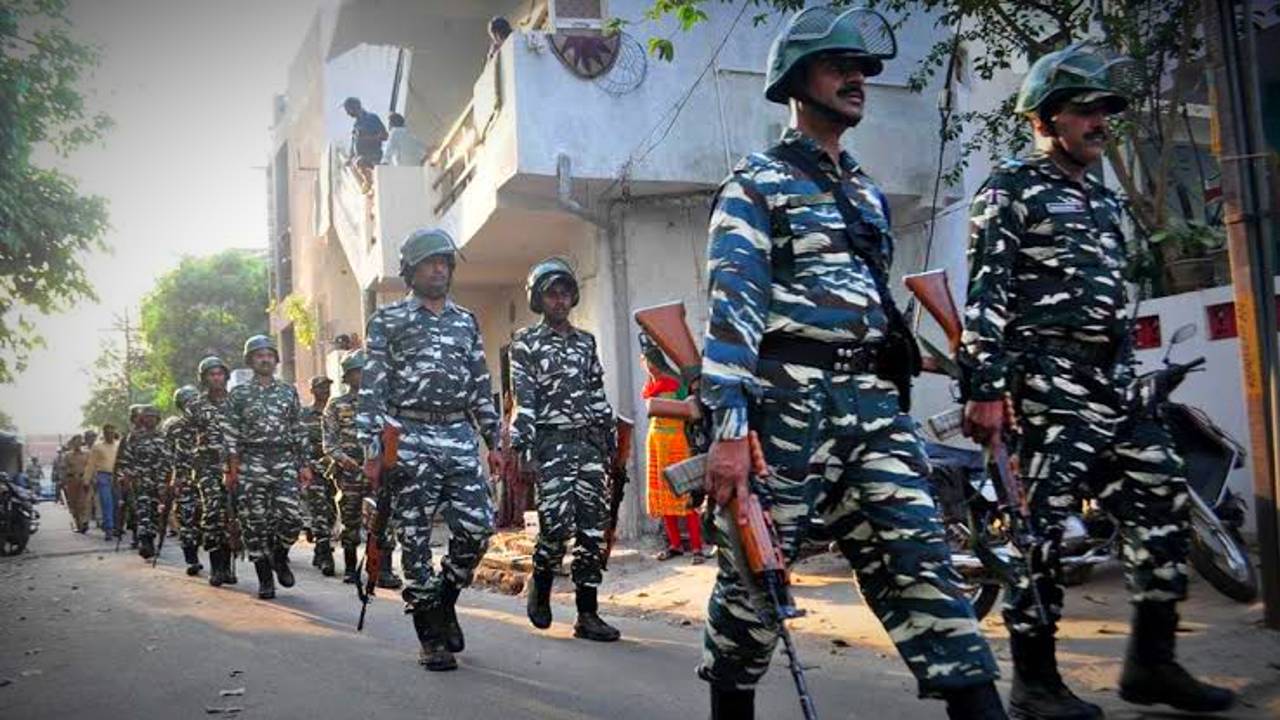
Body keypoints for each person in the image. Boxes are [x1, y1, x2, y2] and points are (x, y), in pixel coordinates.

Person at [696, 7, 1006, 718]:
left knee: (924, 567)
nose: (857, 77)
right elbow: (733, 313)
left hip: (871, 409)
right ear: (795, 81)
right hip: (786, 410)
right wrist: (730, 430)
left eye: (862, 66)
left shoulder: (863, 192)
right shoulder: (758, 183)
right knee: (753, 586)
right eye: (839, 64)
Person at [958, 41, 1236, 720]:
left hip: (1111, 379)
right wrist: (985, 388)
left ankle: (1151, 663)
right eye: (1086, 111)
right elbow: (985, 299)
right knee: (1043, 529)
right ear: (1047, 117)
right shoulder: (1011, 189)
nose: (1101, 122)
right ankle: (1036, 681)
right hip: (1045, 383)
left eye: (1107, 110)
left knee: (1163, 499)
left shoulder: (1105, 203)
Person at [357, 228, 502, 672]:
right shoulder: (388, 321)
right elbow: (373, 391)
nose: (439, 268)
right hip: (410, 436)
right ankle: (429, 635)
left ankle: (444, 599)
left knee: (478, 529)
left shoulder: (465, 321)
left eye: (444, 262)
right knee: (415, 538)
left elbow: (480, 384)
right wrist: (372, 450)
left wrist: (494, 439)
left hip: (459, 436)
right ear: (410, 271)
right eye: (429, 262)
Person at [510, 257, 622, 643]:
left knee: (593, 530)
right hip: (551, 445)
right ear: (539, 300)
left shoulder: (586, 342)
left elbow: (596, 393)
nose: (559, 301)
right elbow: (523, 400)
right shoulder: (525, 343)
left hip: (589, 444)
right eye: (551, 294)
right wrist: (523, 450)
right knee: (556, 527)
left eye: (564, 294)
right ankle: (540, 582)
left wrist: (610, 441)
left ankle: (587, 614)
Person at [222, 335, 312, 600]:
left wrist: (304, 463)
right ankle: (265, 578)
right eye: (259, 355)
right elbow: (229, 434)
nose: (265, 359)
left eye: (269, 355)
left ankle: (280, 557)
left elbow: (298, 428)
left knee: (292, 517)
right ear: (251, 361)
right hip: (251, 463)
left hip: (284, 461)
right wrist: (231, 468)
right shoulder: (239, 394)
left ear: (275, 360)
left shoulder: (287, 391)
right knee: (254, 523)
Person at [324, 349, 401, 587]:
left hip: (380, 470)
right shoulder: (336, 406)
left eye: (365, 371)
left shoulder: (384, 403)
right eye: (356, 372)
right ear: (347, 377)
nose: (362, 376)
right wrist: (344, 459)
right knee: (351, 520)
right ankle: (350, 568)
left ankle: (383, 570)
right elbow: (329, 443)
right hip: (350, 471)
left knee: (384, 518)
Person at [639, 332, 705, 563]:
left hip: (677, 442)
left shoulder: (678, 382)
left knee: (685, 495)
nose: (650, 368)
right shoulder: (650, 385)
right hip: (655, 441)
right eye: (646, 364)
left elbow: (691, 411)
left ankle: (697, 548)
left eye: (652, 363)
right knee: (663, 496)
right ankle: (675, 545)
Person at [190, 356, 238, 587]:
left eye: (220, 373)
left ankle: (228, 567)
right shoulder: (196, 407)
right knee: (213, 515)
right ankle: (216, 566)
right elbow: (186, 440)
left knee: (232, 515)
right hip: (208, 467)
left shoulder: (237, 402)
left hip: (236, 465)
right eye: (212, 374)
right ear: (204, 379)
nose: (216, 378)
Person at [116, 405, 170, 560]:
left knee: (154, 513)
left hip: (158, 482)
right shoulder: (133, 437)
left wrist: (168, 481)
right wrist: (124, 477)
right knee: (142, 511)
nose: (150, 419)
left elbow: (170, 460)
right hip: (139, 481)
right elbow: (124, 460)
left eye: (153, 416)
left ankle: (151, 538)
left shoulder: (163, 437)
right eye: (147, 416)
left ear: (157, 419)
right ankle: (144, 542)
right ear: (142, 419)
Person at [164, 385, 204, 575]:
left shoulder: (209, 422)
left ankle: (222, 565)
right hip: (185, 480)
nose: (193, 405)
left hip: (209, 479)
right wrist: (171, 481)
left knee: (214, 521)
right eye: (188, 402)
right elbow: (167, 456)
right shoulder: (174, 427)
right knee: (187, 521)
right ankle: (192, 559)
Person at [302, 375, 338, 576]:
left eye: (327, 387)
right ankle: (326, 554)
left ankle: (319, 546)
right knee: (319, 510)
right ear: (312, 390)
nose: (325, 390)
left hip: (334, 467)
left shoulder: (336, 410)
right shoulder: (305, 415)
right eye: (320, 387)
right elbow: (300, 442)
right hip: (314, 468)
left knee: (332, 510)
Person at [83, 424, 121, 541]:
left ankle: (116, 527)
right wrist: (86, 480)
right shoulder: (97, 446)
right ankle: (108, 529)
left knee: (117, 503)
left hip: (117, 476)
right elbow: (91, 464)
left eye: (111, 432)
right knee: (106, 502)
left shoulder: (119, 445)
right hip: (103, 476)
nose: (109, 434)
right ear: (104, 434)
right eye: (107, 433)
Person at [342, 97, 387, 193]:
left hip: (372, 156)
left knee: (360, 162)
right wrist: (350, 158)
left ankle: (369, 183)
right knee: (353, 165)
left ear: (354, 108)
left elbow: (384, 135)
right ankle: (367, 186)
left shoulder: (371, 118)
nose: (347, 113)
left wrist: (367, 138)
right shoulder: (356, 124)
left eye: (348, 110)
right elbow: (353, 143)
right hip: (360, 160)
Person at [63, 436, 91, 532]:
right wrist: (64, 481)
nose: (77, 444)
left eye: (79, 442)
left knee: (83, 502)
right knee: (73, 503)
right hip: (72, 480)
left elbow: (90, 467)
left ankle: (84, 522)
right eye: (75, 442)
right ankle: (78, 524)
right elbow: (63, 469)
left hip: (84, 480)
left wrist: (90, 478)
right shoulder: (67, 455)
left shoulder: (87, 454)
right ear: (72, 443)